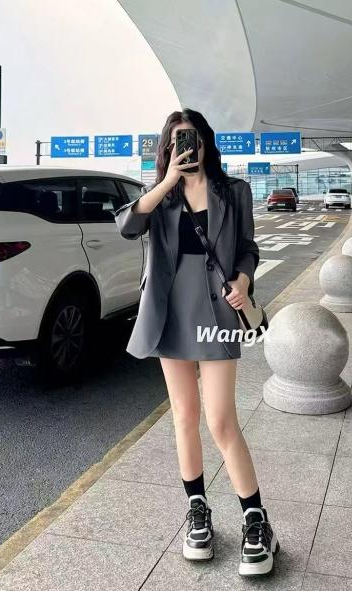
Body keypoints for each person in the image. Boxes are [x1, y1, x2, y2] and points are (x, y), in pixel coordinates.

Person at [115, 108, 279, 577]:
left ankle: (256, 521)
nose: (186, 148)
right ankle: (198, 513)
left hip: (218, 314)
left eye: (193, 139)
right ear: (168, 148)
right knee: (184, 417)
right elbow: (127, 226)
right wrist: (168, 180)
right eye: (177, 141)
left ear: (206, 142)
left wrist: (243, 279)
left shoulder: (235, 191)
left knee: (221, 420)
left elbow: (247, 248)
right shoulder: (161, 197)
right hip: (170, 315)